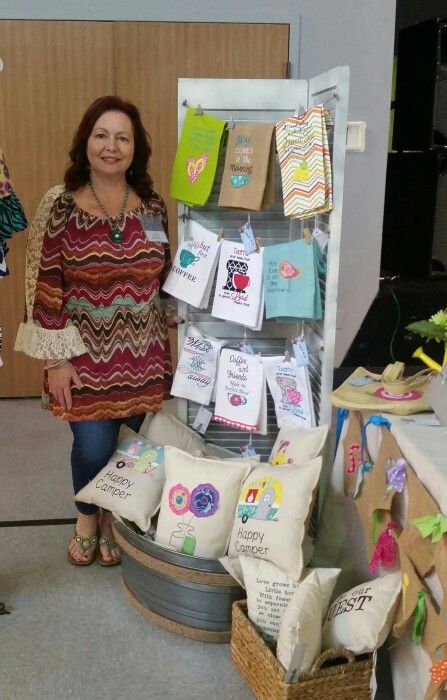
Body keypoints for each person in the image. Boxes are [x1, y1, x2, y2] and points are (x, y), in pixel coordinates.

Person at [15, 96, 182, 566]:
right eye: (102, 135)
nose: (112, 146)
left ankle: (114, 517)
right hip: (82, 354)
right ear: (85, 143)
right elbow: (47, 287)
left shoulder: (151, 206)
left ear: (136, 148)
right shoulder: (61, 207)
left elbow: (163, 273)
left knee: (131, 447)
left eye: (123, 138)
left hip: (143, 355)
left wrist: (182, 320)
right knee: (92, 446)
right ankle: (88, 515)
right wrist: (56, 361)